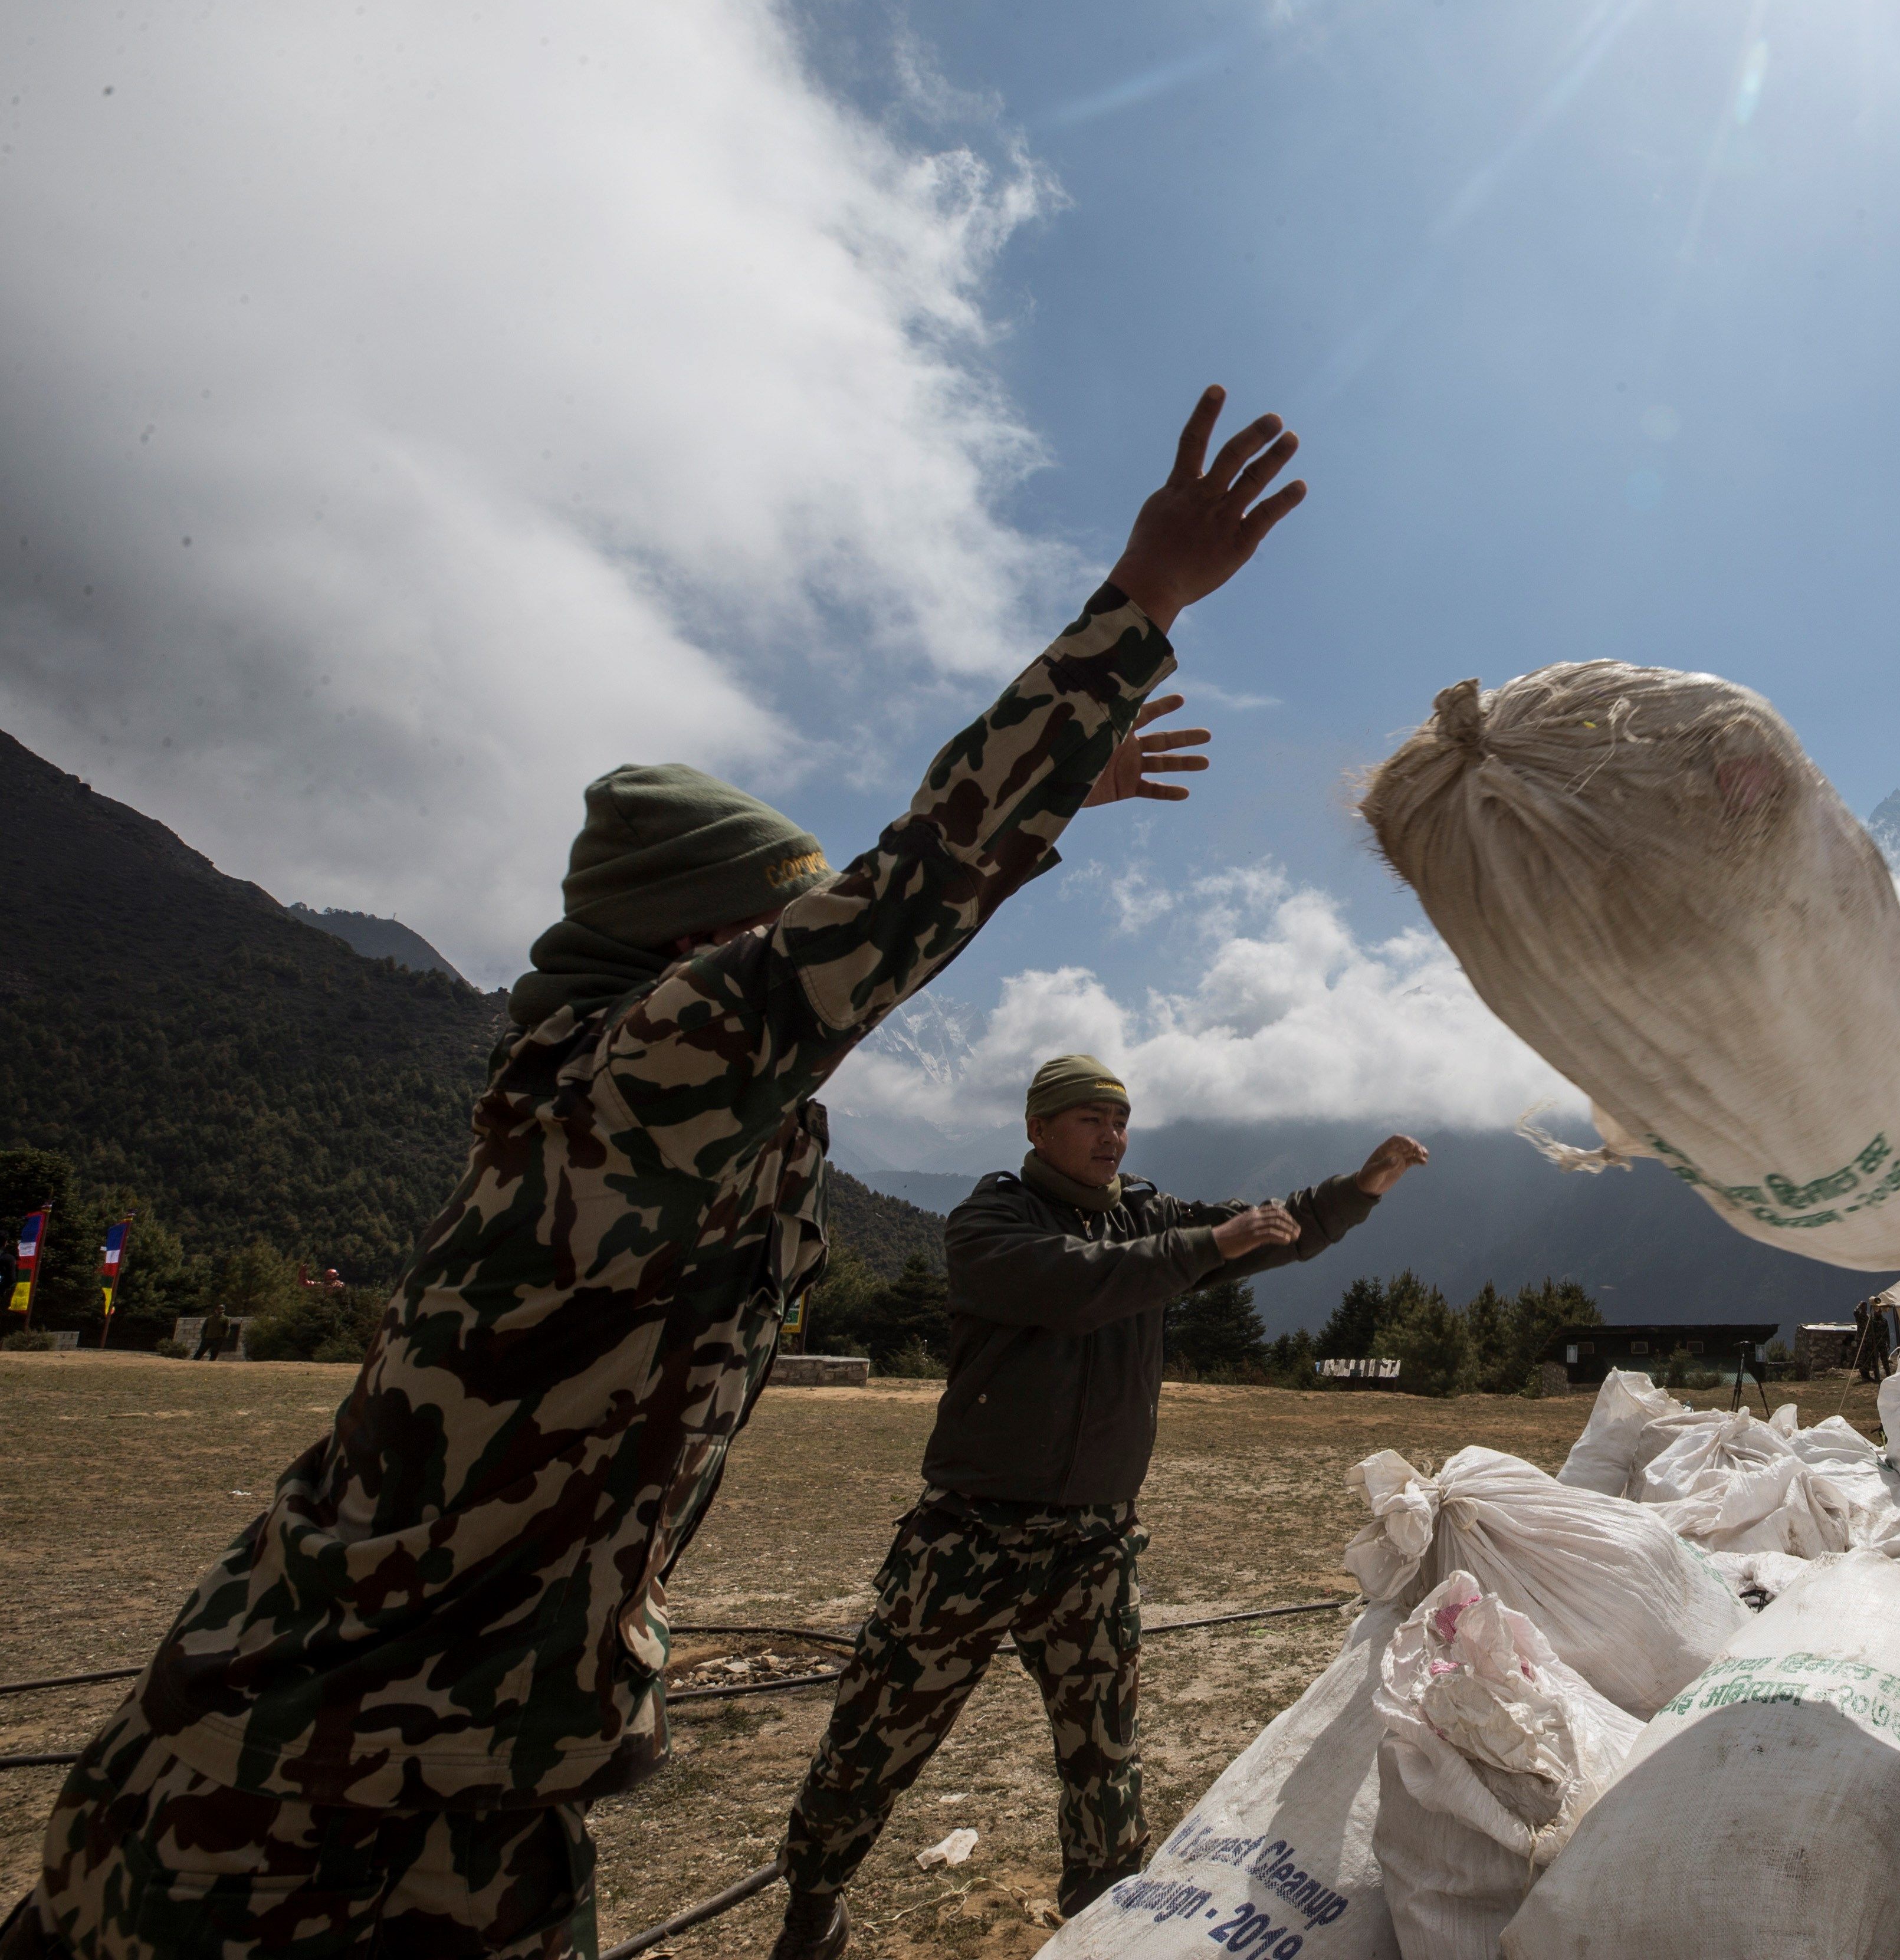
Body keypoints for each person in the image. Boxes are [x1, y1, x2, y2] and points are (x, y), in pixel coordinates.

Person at [0, 388, 1307, 1960]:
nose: (780, 965)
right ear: (697, 944)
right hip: (296, 1834)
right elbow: (901, 903)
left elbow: (895, 913)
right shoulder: (642, 1073)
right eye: (761, 931)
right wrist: (1137, 611)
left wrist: (1045, 808)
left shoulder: (626, 1101)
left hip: (396, 1794)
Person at [766, 1057, 1426, 1957]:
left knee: (1104, 1760)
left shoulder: (1146, 1215)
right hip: (971, 1535)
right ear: (1038, 1129)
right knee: (875, 1739)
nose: (1111, 1136)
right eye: (1088, 1119)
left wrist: (1359, 1189)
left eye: (1120, 1119)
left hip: (1094, 1540)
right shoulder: (992, 1221)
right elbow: (1084, 1284)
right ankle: (812, 1896)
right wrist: (1212, 1247)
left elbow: (1275, 1229)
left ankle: (1105, 1926)